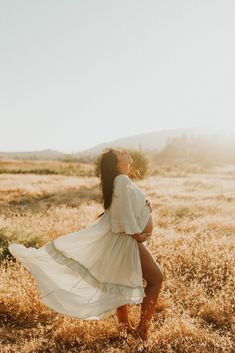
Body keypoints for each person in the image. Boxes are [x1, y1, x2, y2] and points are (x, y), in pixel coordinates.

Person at [8, 147, 163, 341]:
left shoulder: (121, 180)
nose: (126, 153)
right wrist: (137, 234)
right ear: (116, 162)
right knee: (156, 279)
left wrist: (145, 207)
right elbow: (122, 214)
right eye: (120, 153)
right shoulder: (121, 180)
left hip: (123, 240)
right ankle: (143, 331)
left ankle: (127, 328)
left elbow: (122, 209)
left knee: (118, 282)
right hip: (126, 240)